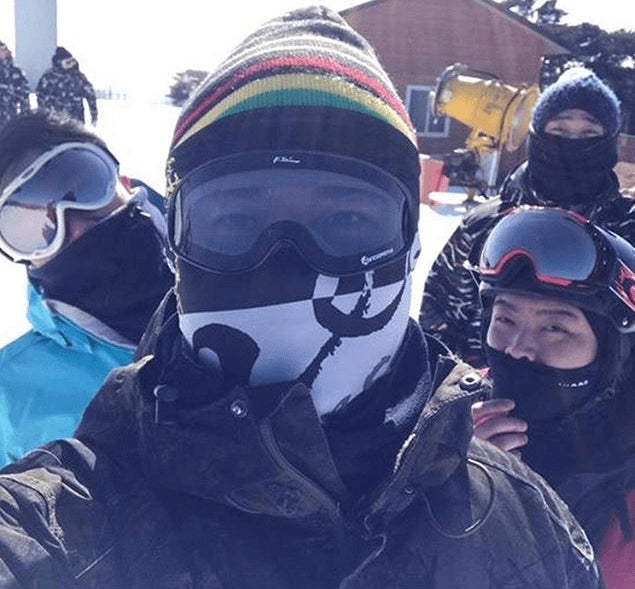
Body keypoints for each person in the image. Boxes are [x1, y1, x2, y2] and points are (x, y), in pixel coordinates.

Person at [0, 8, 600, 587]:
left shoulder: (525, 524)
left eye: (347, 219)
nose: (285, 263)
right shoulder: (71, 518)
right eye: (236, 221)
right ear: (179, 245)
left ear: (408, 244)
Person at [420, 65, 634, 367]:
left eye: (589, 133)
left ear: (609, 141)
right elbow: (435, 318)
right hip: (490, 388)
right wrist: (465, 383)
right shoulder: (484, 225)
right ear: (537, 136)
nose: (574, 143)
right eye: (559, 131)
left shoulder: (628, 231)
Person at [470, 205, 635, 588]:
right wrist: (444, 488)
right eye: (505, 319)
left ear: (615, 353)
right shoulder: (437, 426)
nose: (517, 349)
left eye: (554, 328)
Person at [0, 109, 174, 466]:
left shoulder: (242, 272)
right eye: (32, 226)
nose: (76, 229)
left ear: (122, 181)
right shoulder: (9, 394)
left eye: (83, 186)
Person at [36, 46, 98, 126]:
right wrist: (43, 115)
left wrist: (94, 115)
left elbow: (91, 95)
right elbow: (40, 96)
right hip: (54, 120)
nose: (70, 65)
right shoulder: (49, 77)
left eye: (71, 62)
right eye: (67, 62)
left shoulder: (78, 77)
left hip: (75, 119)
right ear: (59, 62)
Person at [0, 41, 29, 128]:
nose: (2, 52)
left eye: (4, 49)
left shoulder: (15, 72)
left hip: (11, 117)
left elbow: (24, 96)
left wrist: (25, 117)